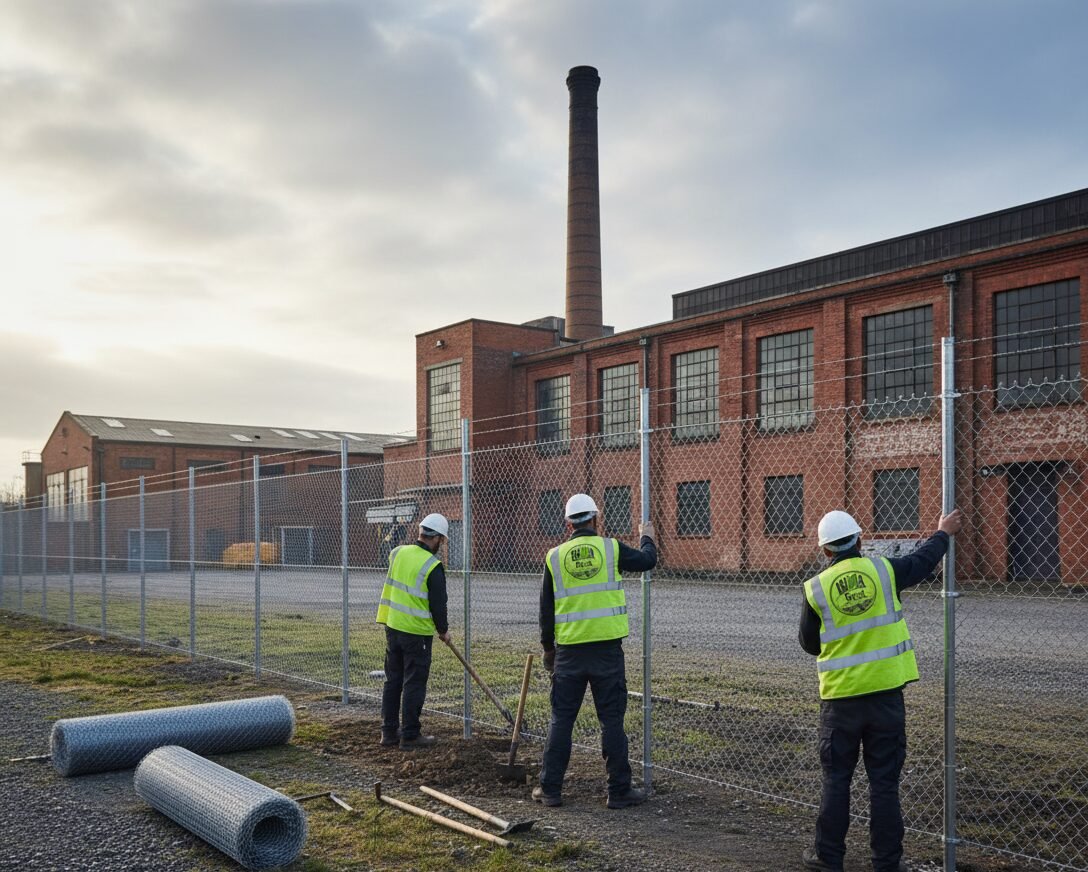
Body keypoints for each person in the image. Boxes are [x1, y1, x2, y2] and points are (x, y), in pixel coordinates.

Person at [800, 508, 963, 872]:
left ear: (825, 551)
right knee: (884, 783)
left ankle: (828, 859)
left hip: (840, 701)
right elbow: (921, 562)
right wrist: (942, 533)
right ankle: (887, 862)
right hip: (886, 697)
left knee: (837, 780)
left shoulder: (816, 588)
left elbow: (809, 643)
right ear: (860, 541)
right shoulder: (884, 571)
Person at [533, 493, 658, 809]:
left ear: (568, 524)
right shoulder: (611, 548)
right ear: (595, 519)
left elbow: (546, 612)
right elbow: (647, 561)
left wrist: (549, 650)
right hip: (606, 652)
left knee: (561, 720)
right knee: (611, 721)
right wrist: (647, 537)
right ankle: (618, 791)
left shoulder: (555, 556)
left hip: (569, 653)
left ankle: (550, 790)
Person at [375, 512, 451, 750]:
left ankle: (388, 733)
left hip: (392, 626)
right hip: (416, 633)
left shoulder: (398, 552)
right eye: (442, 540)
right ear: (436, 538)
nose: (441, 545)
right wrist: (443, 630)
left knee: (393, 680)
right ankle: (410, 735)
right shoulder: (433, 566)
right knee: (414, 683)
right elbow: (438, 604)